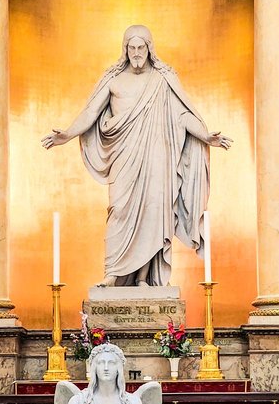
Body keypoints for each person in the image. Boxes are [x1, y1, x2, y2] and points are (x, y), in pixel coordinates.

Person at [42, 25, 231, 287]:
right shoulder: (114, 80)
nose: (137, 53)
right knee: (119, 209)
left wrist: (206, 136)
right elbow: (90, 113)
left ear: (150, 49)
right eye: (132, 48)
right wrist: (67, 135)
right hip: (124, 158)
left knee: (154, 211)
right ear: (125, 49)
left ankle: (143, 278)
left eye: (141, 48)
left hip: (156, 158)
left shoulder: (162, 79)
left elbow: (183, 115)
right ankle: (112, 273)